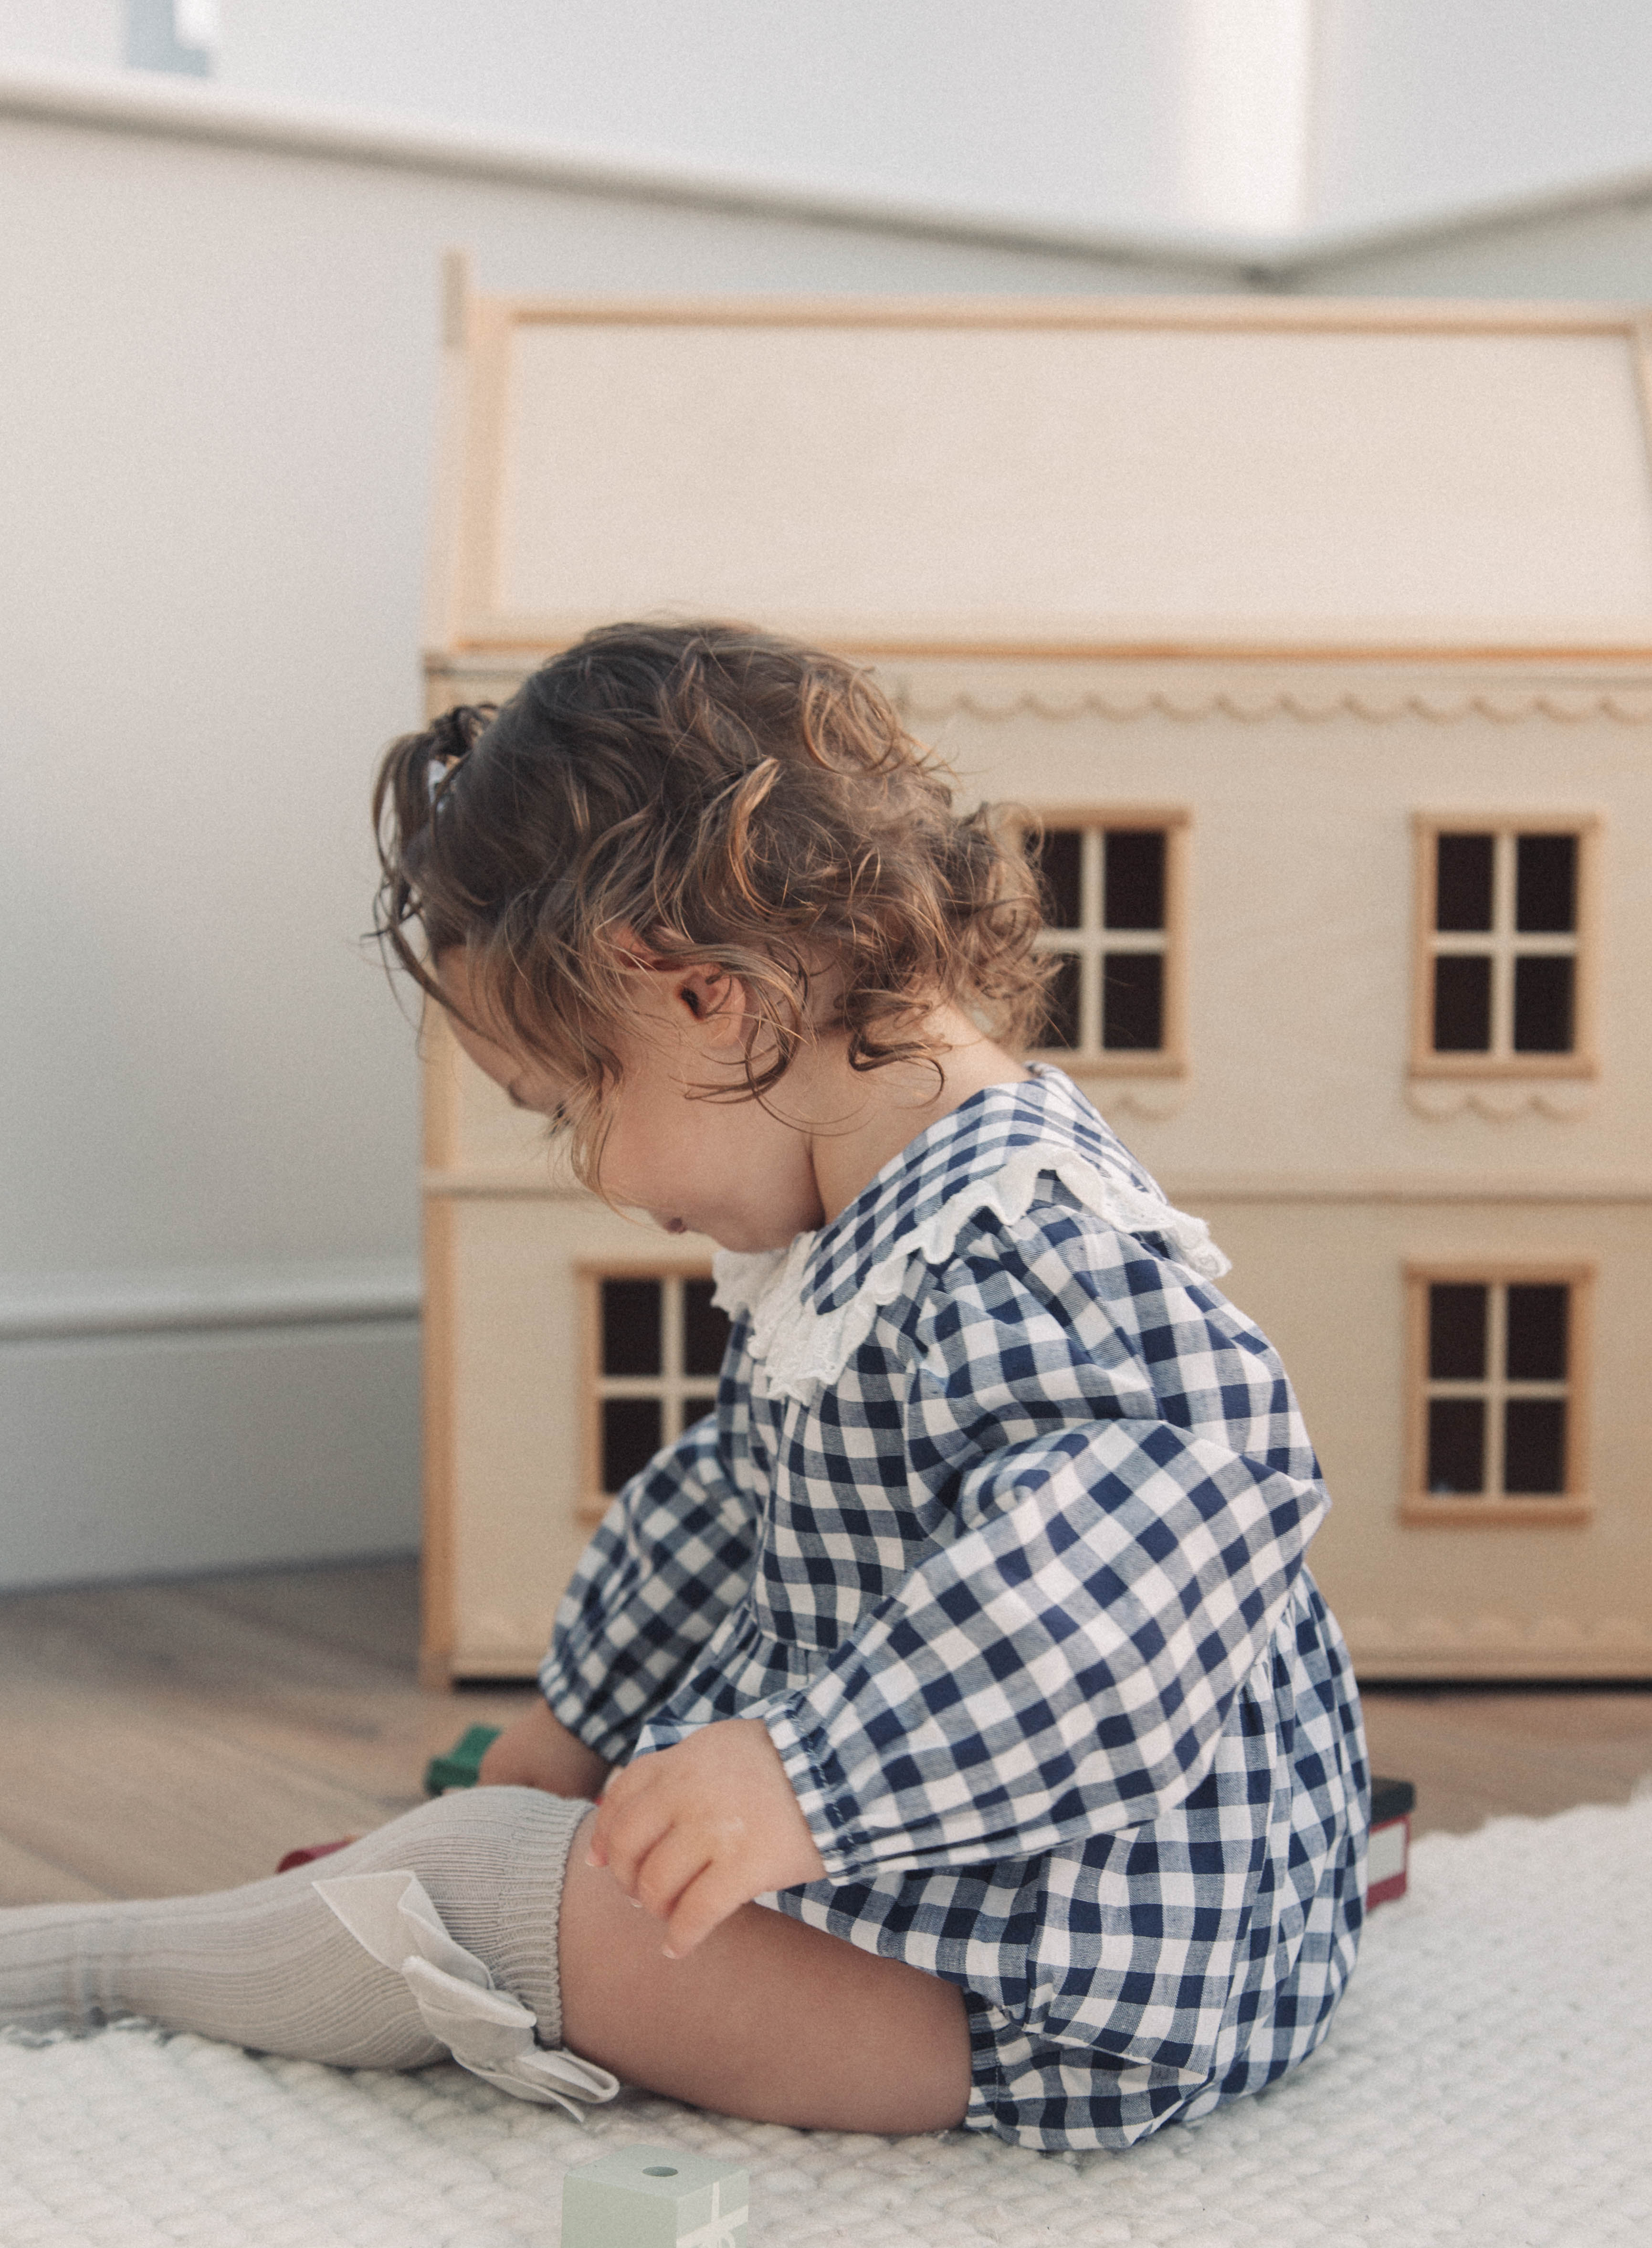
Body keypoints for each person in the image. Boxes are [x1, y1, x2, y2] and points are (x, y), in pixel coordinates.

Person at [0, 623, 1368, 2152]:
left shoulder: (1022, 1244)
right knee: (513, 1848)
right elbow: (717, 1517)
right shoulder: (860, 1244)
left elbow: (1134, 1577)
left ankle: (110, 1963)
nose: (588, 1164)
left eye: (575, 1100)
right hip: (964, 1924)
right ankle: (363, 1900)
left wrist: (804, 1778)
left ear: (707, 1001)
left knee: (481, 1897)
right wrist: (559, 1742)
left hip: (1057, 2002)